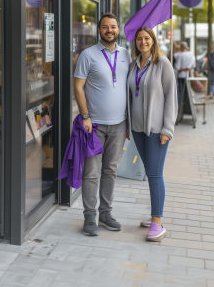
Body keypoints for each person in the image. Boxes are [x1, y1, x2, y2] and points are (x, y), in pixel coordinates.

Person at [74, 13, 131, 236]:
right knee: (91, 173)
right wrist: (85, 116)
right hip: (94, 125)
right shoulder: (88, 55)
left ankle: (106, 213)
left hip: (119, 125)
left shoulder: (126, 54)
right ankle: (90, 216)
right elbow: (78, 87)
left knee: (111, 170)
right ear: (99, 30)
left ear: (118, 30)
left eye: (113, 27)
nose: (109, 30)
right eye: (105, 27)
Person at [127, 27, 177, 242]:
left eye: (146, 38)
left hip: (157, 131)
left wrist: (167, 129)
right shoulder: (133, 65)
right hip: (137, 129)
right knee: (150, 172)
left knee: (155, 174)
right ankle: (153, 214)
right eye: (139, 39)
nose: (142, 42)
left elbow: (171, 97)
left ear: (153, 41)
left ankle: (157, 222)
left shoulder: (162, 64)